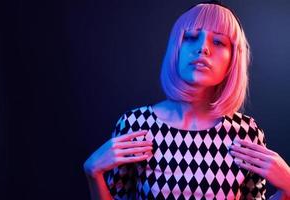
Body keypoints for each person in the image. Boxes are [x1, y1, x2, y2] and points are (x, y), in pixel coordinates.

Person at [83, 2, 290, 199]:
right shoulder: (135, 125)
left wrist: (288, 186)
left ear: (233, 60)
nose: (203, 48)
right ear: (176, 49)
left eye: (218, 41)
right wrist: (93, 174)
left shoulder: (246, 132)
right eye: (191, 37)